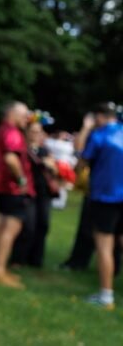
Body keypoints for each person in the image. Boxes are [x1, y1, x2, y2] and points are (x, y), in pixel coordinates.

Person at [77, 102, 123, 309]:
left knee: (105, 246)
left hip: (105, 197)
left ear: (99, 116)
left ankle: (106, 295)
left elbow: (81, 161)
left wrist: (86, 129)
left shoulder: (99, 135)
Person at [0, 101, 33, 288]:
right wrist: (22, 180)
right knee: (10, 228)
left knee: (0, 225)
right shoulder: (13, 133)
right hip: (12, 188)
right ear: (12, 114)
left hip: (1, 186)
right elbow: (11, 158)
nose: (27, 120)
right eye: (24, 115)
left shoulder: (1, 130)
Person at [10, 120, 59, 268]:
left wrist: (51, 165)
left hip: (43, 192)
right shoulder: (22, 149)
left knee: (43, 224)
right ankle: (18, 258)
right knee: (27, 225)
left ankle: (36, 259)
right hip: (28, 192)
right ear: (26, 132)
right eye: (33, 131)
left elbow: (55, 171)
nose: (37, 135)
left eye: (39, 131)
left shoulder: (44, 150)